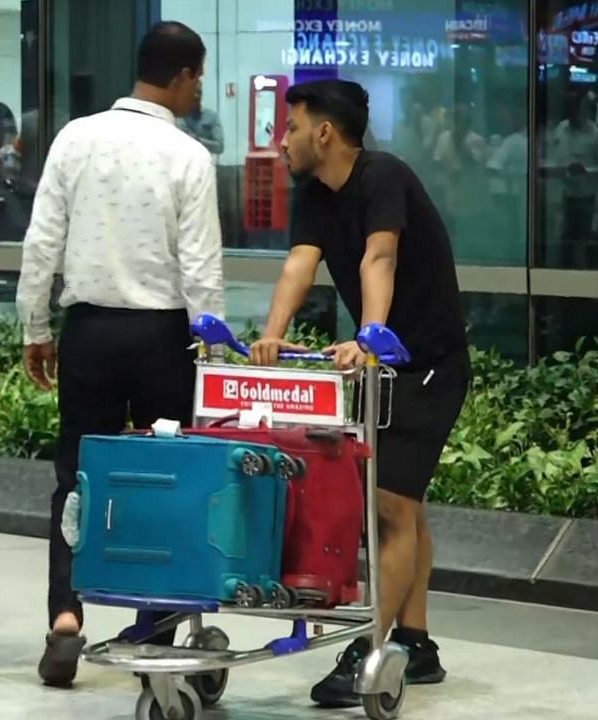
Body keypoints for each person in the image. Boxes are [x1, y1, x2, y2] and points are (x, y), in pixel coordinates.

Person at [15, 21, 225, 689]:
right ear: (183, 76)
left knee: (78, 474)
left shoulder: (76, 139)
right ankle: (157, 629)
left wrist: (35, 328)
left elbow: (42, 239)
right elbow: (201, 270)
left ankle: (65, 619)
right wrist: (212, 350)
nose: (197, 90)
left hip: (90, 333)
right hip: (163, 339)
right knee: (168, 478)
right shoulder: (187, 155)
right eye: (197, 78)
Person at [252, 78, 469, 708]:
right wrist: (271, 337)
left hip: (429, 364)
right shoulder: (316, 192)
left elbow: (381, 258)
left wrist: (371, 338)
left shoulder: (383, 177)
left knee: (390, 506)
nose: (282, 139)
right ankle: (418, 644)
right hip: (387, 367)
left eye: (291, 127)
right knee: (406, 503)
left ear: (324, 132)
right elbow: (300, 260)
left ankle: (370, 646)